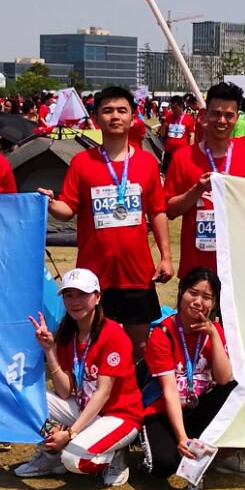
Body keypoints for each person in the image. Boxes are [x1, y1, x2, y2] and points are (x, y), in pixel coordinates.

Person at [48, 84, 171, 354]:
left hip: (137, 272)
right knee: (94, 343)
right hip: (95, 271)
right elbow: (67, 209)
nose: (115, 116)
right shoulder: (82, 162)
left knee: (139, 345)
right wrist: (50, 203)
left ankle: (133, 394)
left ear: (132, 117)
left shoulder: (147, 163)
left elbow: (157, 211)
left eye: (121, 110)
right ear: (96, 118)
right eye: (107, 111)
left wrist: (165, 257)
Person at [15, 269, 145, 486]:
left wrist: (71, 433)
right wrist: (50, 351)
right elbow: (65, 391)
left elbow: (103, 393)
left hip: (119, 416)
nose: (75, 301)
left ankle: (115, 453)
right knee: (24, 398)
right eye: (69, 295)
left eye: (82, 294)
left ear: (97, 297)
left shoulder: (113, 335)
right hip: (85, 409)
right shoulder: (68, 334)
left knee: (74, 460)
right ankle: (50, 455)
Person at [143, 267, 245, 490]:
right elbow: (169, 391)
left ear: (214, 303)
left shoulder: (215, 330)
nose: (197, 302)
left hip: (198, 406)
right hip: (164, 411)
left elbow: (224, 380)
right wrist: (181, 437)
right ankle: (185, 446)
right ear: (181, 292)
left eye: (206, 297)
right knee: (162, 466)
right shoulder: (163, 334)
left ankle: (224, 455)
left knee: (239, 388)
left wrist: (213, 335)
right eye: (192, 293)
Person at [164, 81, 245, 282]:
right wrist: (197, 190)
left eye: (229, 115)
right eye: (216, 113)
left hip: (237, 270)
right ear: (205, 115)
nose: (222, 120)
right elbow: (170, 210)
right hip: (195, 268)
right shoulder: (184, 157)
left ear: (237, 118)